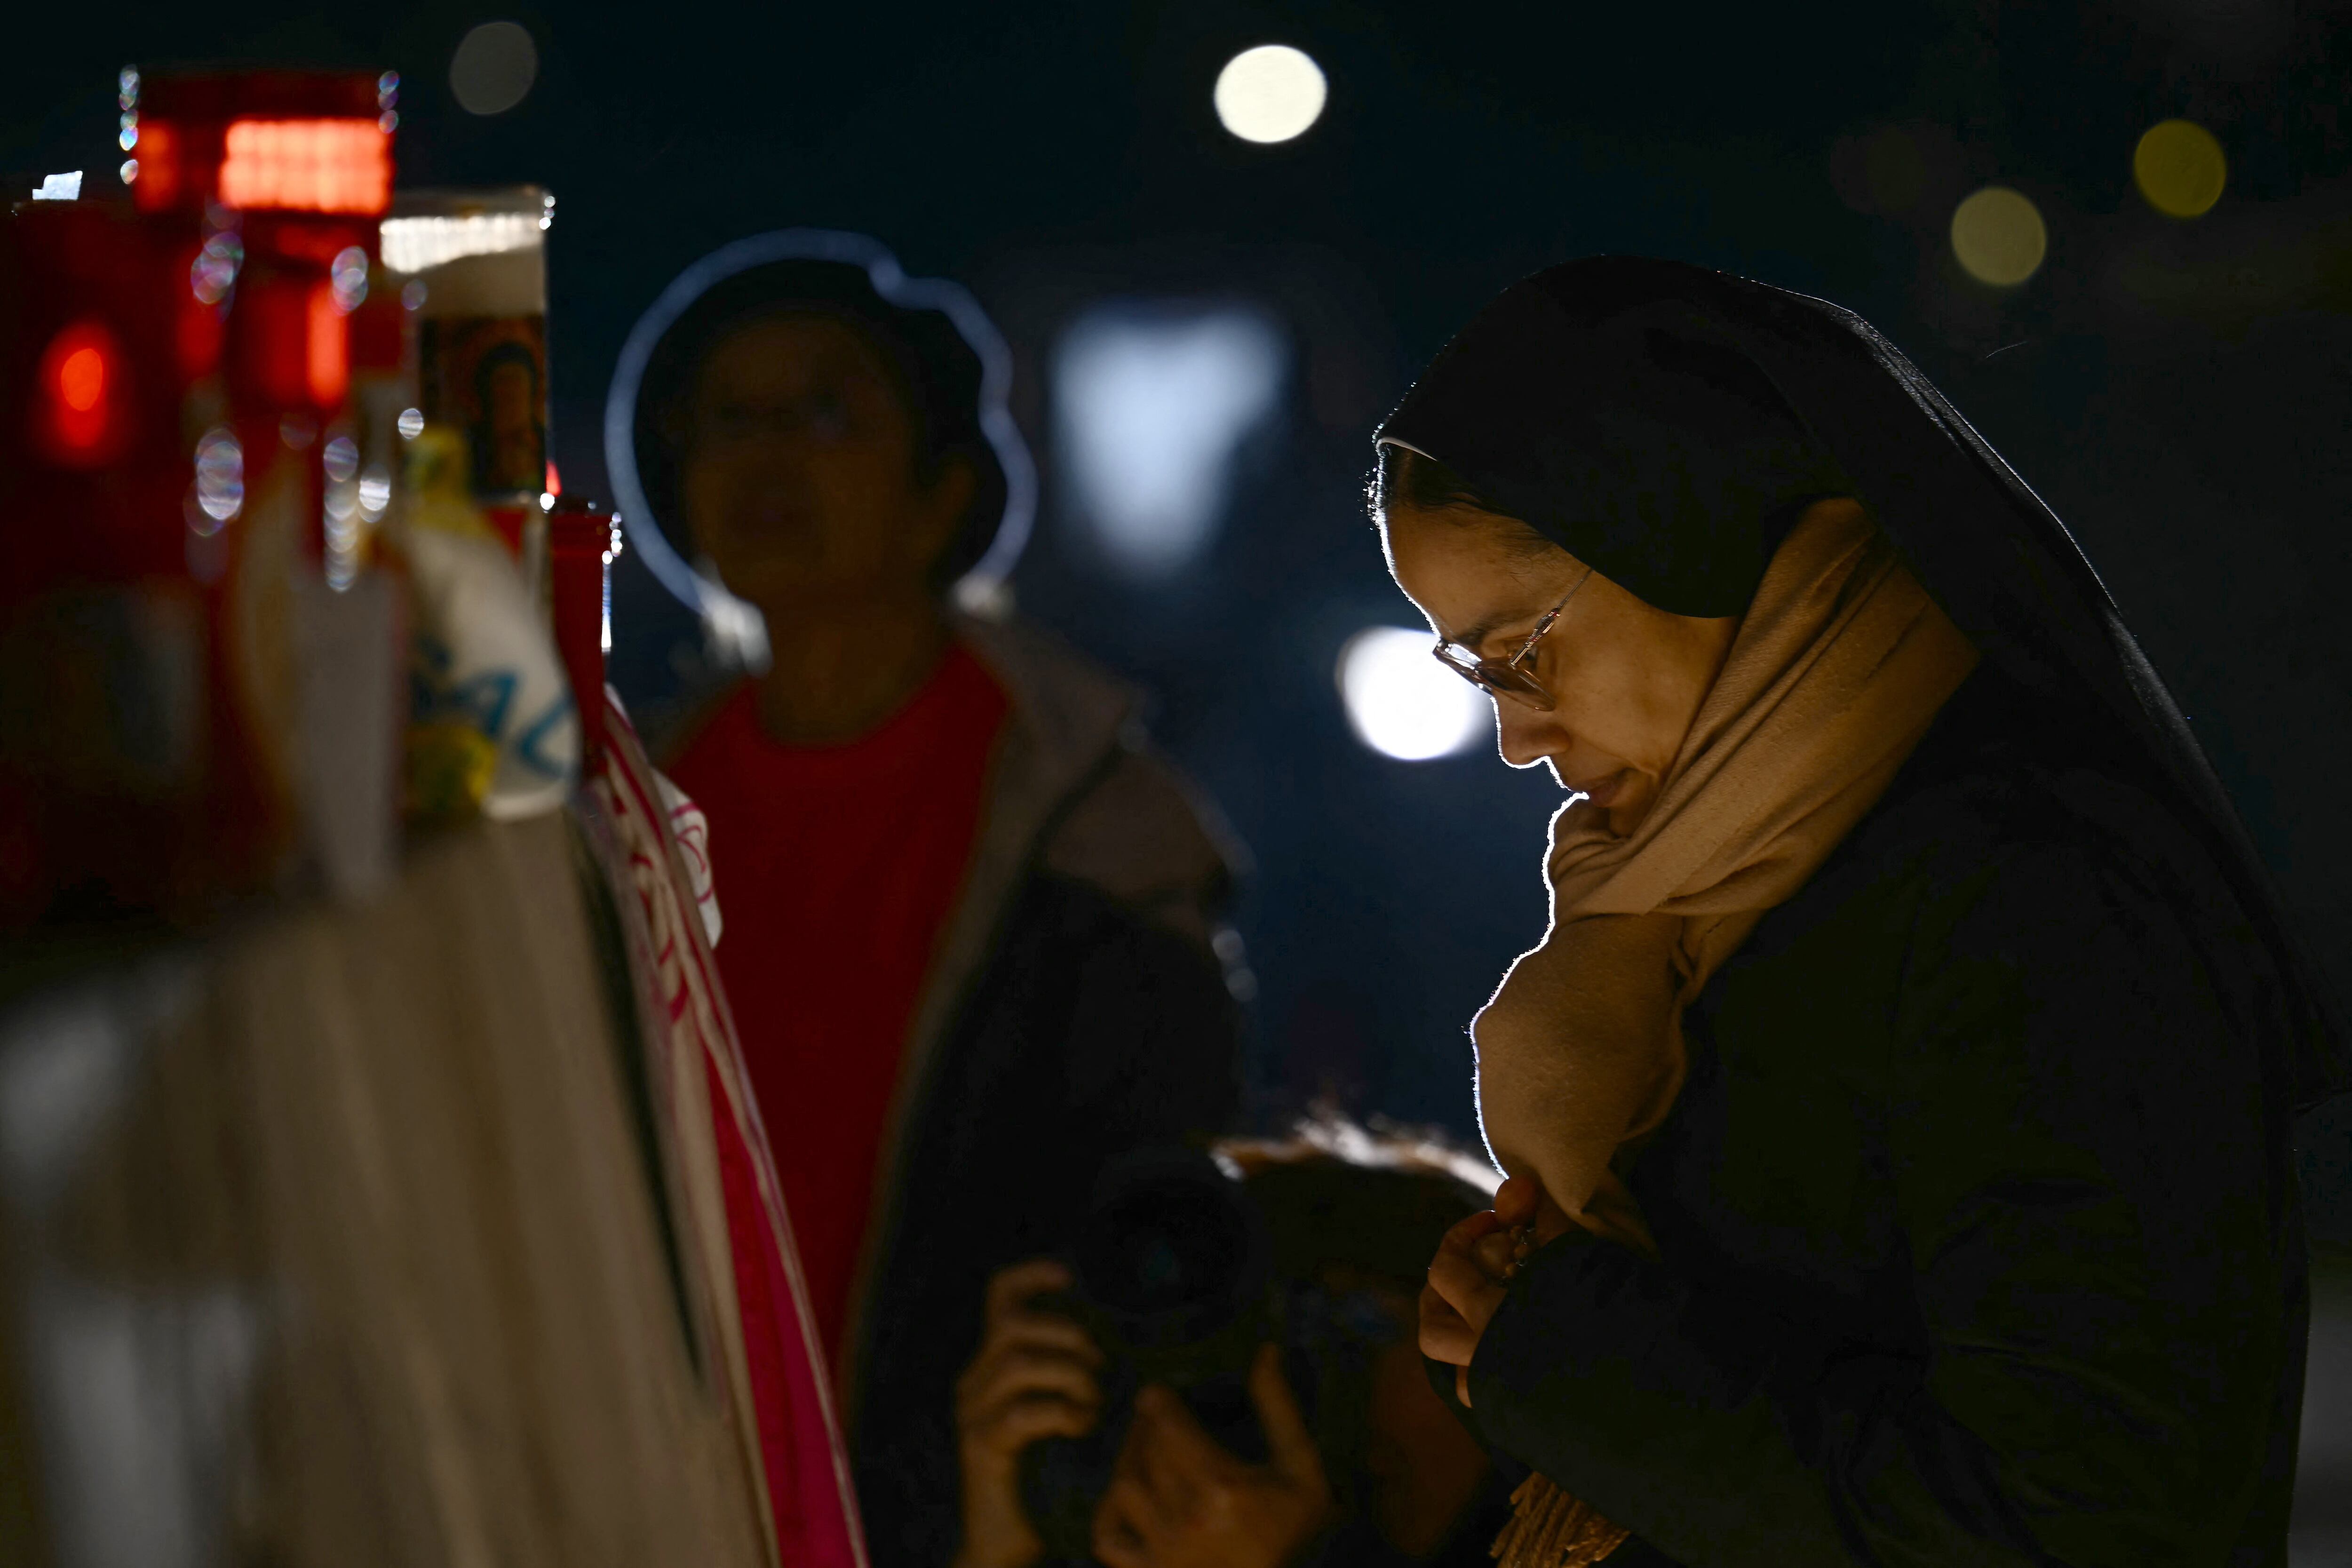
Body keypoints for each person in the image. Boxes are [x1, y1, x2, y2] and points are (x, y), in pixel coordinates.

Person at [1370, 258, 2348, 1566]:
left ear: (1689, 527)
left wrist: (1562, 1349)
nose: (1515, 734)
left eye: (1521, 650)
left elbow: (2085, 1517)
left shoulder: (2035, 902)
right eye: (1472, 670)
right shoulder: (1721, 897)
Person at [625, 237, 1246, 1566]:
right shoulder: (621, 813)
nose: (769, 451)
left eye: (831, 409)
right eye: (727, 417)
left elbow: (1150, 1218)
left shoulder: (1090, 826)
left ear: (942, 486)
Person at [953, 1118, 1515, 1568]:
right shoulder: (1115, 1499)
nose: (1341, 1408)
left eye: (1364, 1328)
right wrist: (1006, 1543)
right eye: (1328, 1341)